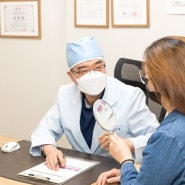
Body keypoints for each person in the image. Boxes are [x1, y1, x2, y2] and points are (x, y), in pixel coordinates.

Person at [30, 36, 158, 171]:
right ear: (71, 76)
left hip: (117, 171)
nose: (93, 75)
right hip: (80, 171)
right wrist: (50, 150)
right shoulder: (65, 94)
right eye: (83, 70)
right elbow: (44, 129)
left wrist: (128, 144)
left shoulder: (130, 95)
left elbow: (157, 138)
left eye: (98, 67)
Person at [96, 36, 185, 185]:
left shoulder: (168, 136)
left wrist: (125, 160)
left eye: (147, 78)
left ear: (158, 82)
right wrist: (130, 174)